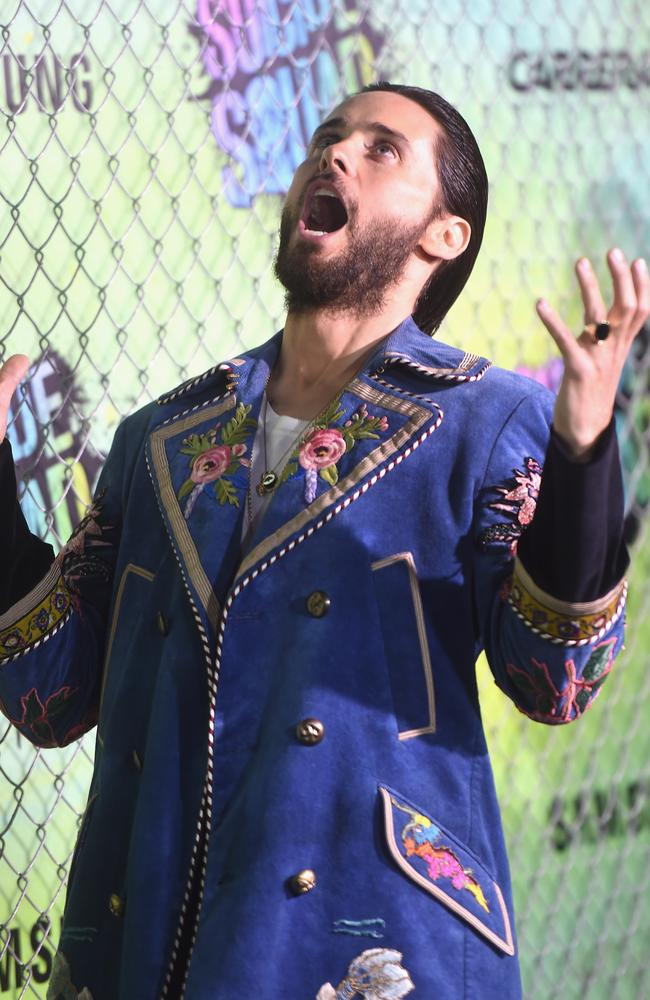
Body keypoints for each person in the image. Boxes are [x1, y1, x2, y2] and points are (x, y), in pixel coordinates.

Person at [0, 82, 647, 1000]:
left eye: (383, 150)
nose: (334, 154)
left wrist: (582, 457)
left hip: (364, 943)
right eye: (328, 137)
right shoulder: (162, 440)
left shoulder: (485, 422)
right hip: (139, 944)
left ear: (443, 234)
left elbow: (557, 678)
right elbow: (51, 696)